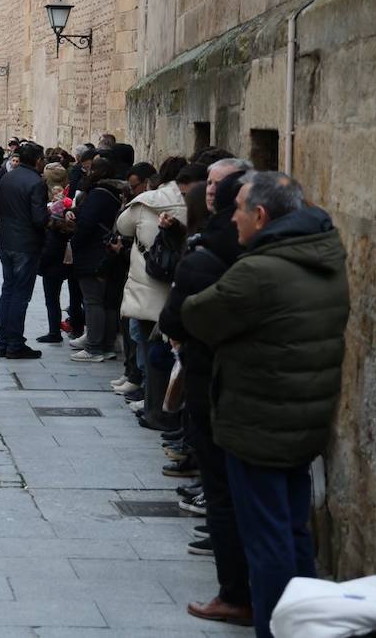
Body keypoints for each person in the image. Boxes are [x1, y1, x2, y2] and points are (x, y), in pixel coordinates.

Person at [182, 172, 349, 638]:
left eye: (237, 209)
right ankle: (306, 621)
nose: (230, 217)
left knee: (266, 537)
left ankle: (276, 627)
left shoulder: (259, 270)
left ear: (260, 215)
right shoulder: (325, 257)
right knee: (293, 529)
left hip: (260, 418)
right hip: (303, 414)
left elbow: (198, 313)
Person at [158, 163, 251, 626]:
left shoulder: (208, 253)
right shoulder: (287, 255)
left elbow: (175, 320)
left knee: (227, 489)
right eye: (207, 185)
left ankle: (237, 592)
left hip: (218, 381)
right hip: (258, 387)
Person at [114, 159, 185, 417]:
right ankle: (168, 402)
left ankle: (151, 400)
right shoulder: (193, 202)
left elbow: (122, 225)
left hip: (148, 281)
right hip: (177, 282)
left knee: (145, 342)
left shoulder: (147, 201)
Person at [69, 155, 128, 363]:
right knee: (107, 301)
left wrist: (74, 242)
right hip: (108, 251)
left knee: (93, 300)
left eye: (89, 170)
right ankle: (107, 345)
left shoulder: (98, 194)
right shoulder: (115, 192)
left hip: (93, 252)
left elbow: (86, 224)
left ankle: (94, 347)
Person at [0, 141, 48, 359]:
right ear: (36, 160)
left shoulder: (7, 177)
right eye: (42, 159)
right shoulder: (36, 182)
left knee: (8, 291)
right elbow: (39, 218)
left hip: (5, 241)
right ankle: (14, 343)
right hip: (25, 244)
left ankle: (2, 342)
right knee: (20, 295)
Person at [35, 163, 80, 345]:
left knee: (52, 296)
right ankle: (76, 327)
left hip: (54, 254)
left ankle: (55, 331)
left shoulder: (54, 205)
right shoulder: (73, 198)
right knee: (75, 295)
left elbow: (49, 235)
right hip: (71, 253)